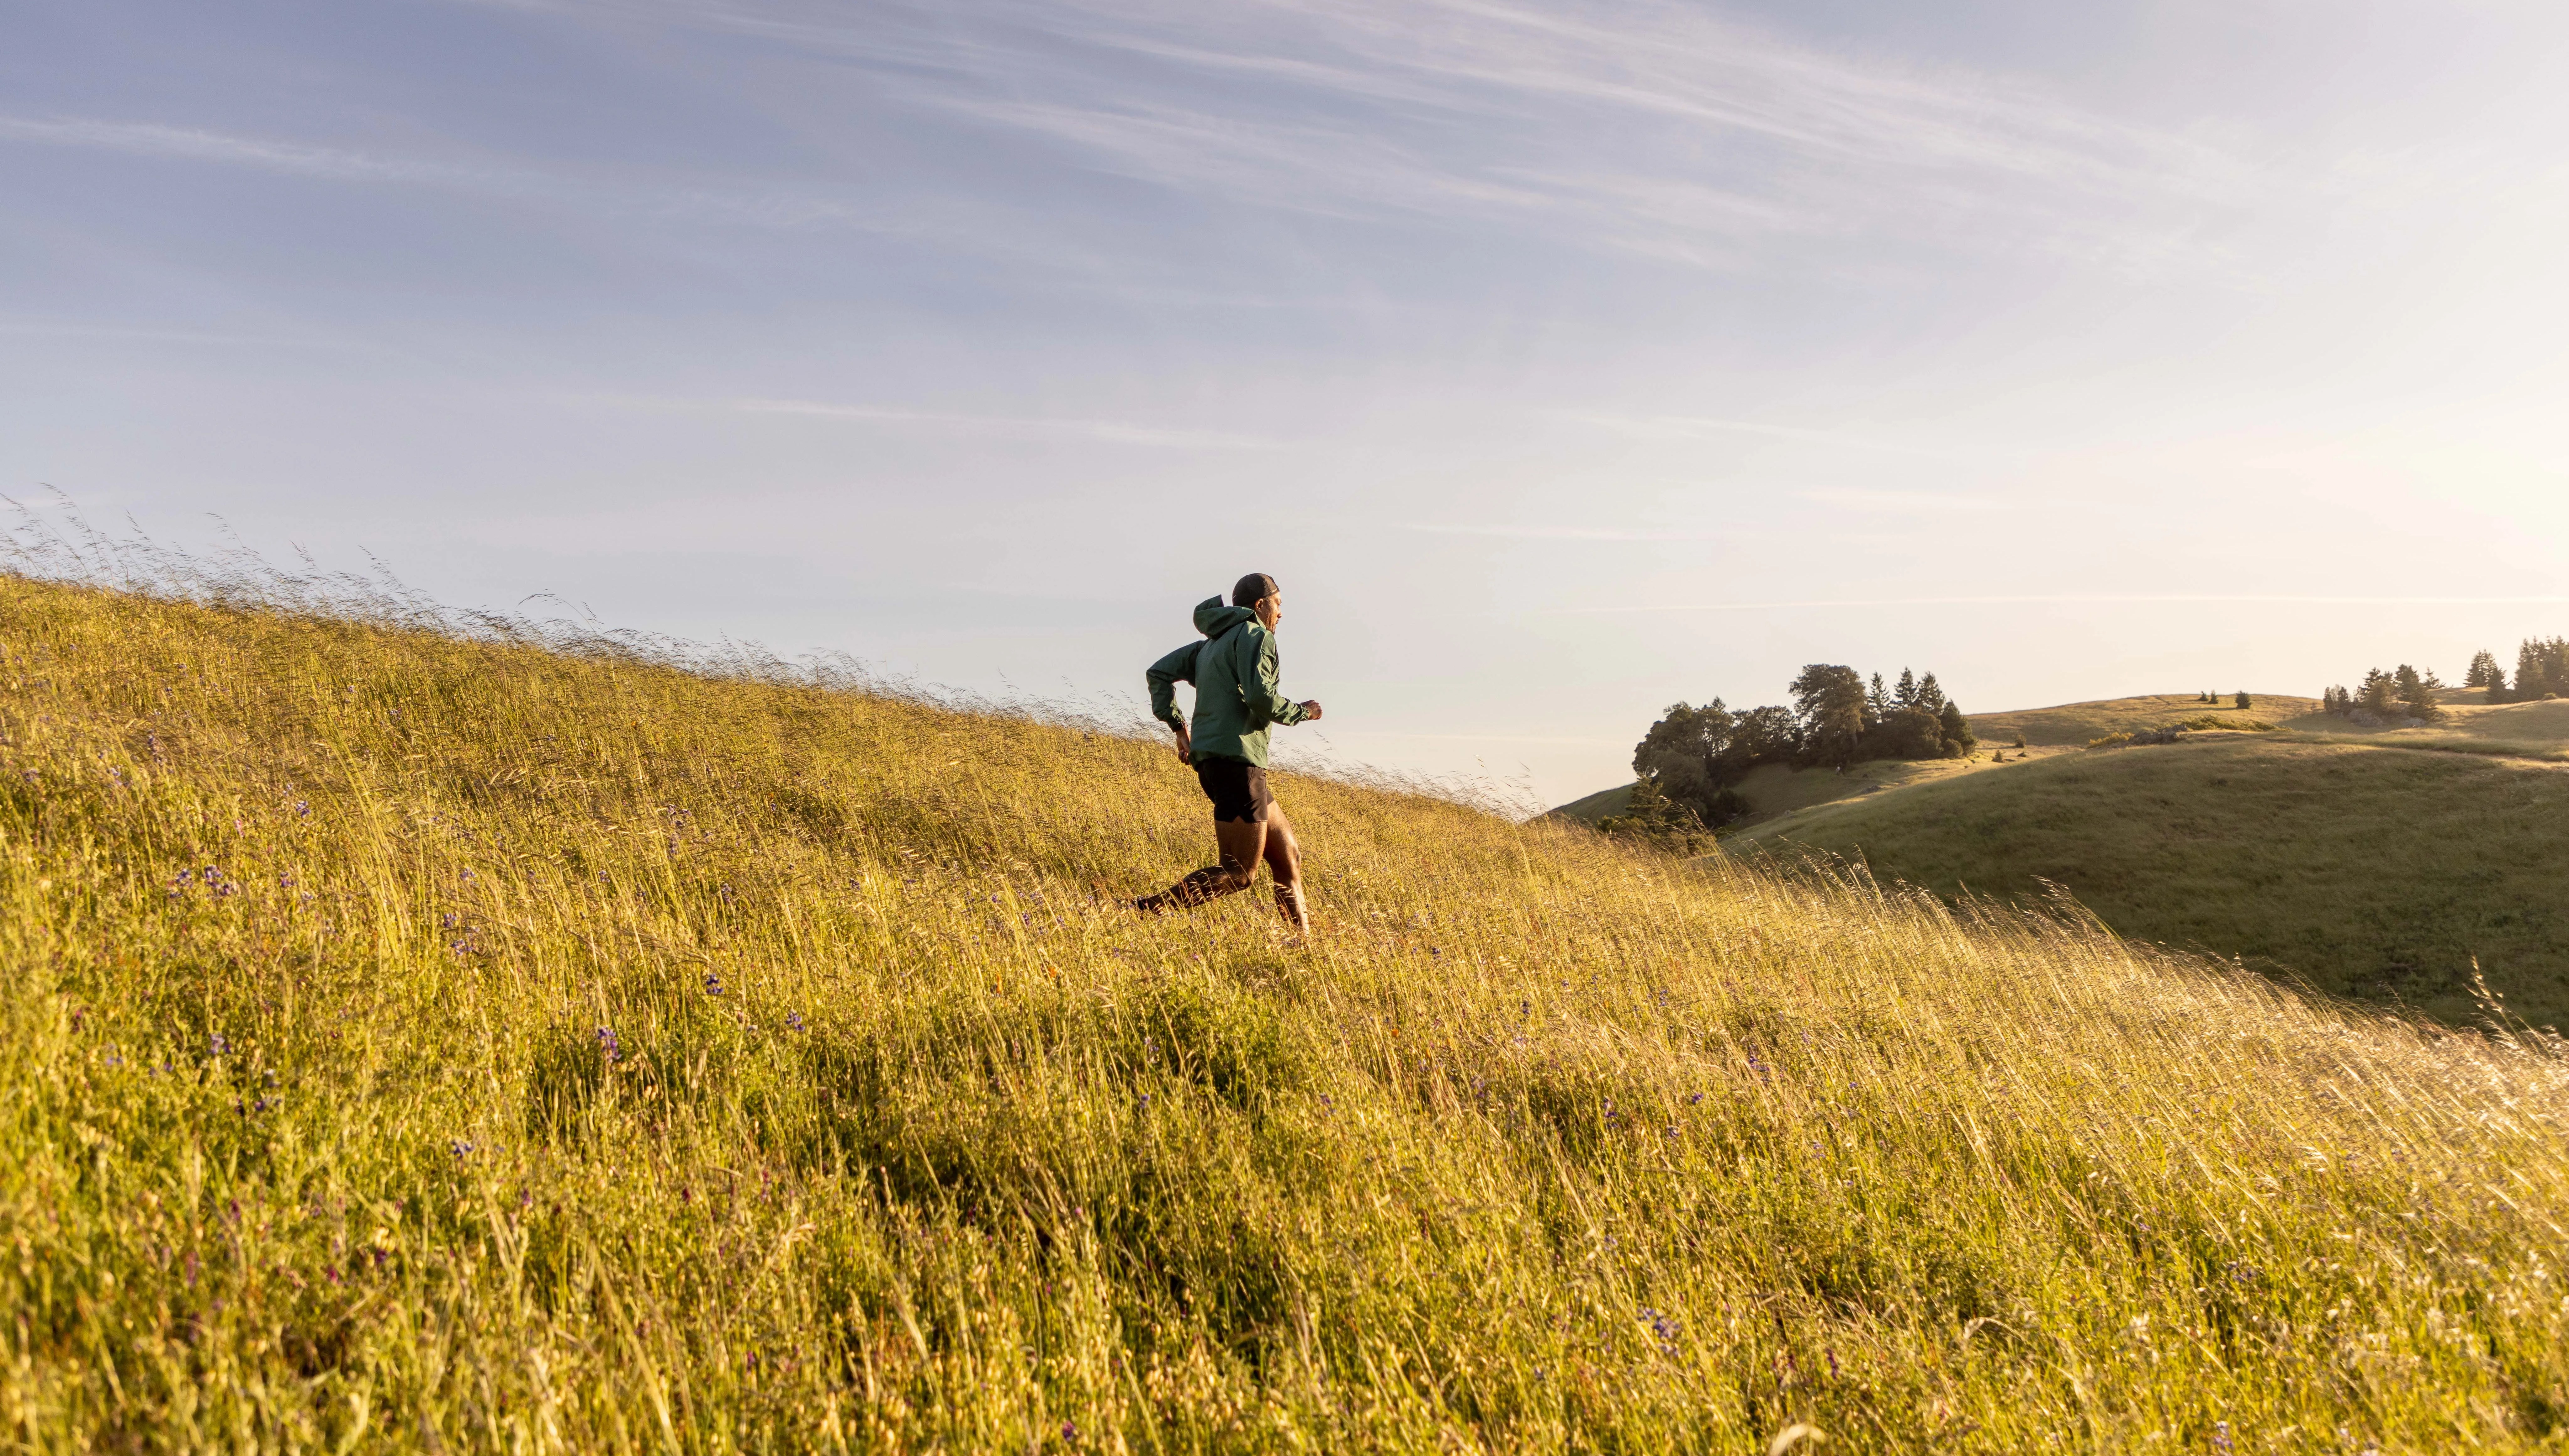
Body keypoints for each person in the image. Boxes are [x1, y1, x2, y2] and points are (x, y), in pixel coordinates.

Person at [1135, 572, 1324, 931]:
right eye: (1278, 603)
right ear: (1259, 605)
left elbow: (1157, 673)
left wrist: (1179, 730)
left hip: (1223, 763)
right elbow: (1260, 697)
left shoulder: (1209, 645)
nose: (1281, 613)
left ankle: (1304, 945)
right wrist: (1303, 711)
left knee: (1288, 858)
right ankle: (1146, 909)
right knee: (1239, 873)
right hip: (1237, 765)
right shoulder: (1256, 635)